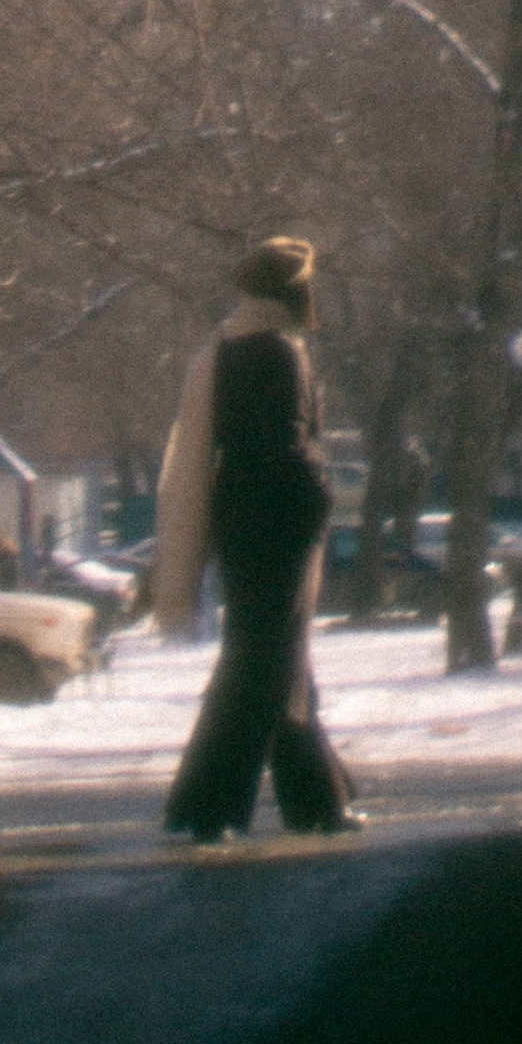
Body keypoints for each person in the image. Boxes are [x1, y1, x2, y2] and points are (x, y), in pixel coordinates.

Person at [153, 236, 360, 844]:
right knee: (263, 662)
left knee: (275, 658)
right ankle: (206, 806)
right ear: (295, 290)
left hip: (241, 519)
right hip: (279, 524)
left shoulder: (226, 347)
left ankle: (315, 801)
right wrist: (320, 490)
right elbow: (286, 449)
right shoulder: (278, 352)